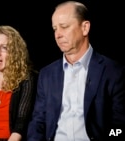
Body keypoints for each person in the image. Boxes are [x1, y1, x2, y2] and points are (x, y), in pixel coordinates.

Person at [27, 1, 125, 141]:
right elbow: (38, 122)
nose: (58, 34)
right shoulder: (46, 74)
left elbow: (119, 128)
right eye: (55, 29)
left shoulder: (113, 72)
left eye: (64, 27)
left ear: (85, 28)